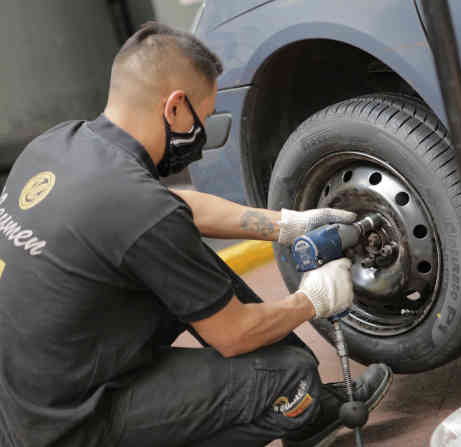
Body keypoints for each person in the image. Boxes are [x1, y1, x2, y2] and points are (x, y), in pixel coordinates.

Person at [0, 22, 391, 447]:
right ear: (174, 108)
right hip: (70, 427)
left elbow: (176, 210)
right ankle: (297, 406)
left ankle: (307, 409)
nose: (199, 136)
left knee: (188, 262)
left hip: (31, 399)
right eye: (201, 119)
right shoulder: (140, 209)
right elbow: (235, 333)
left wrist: (287, 225)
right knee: (289, 375)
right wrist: (311, 300)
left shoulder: (58, 145)